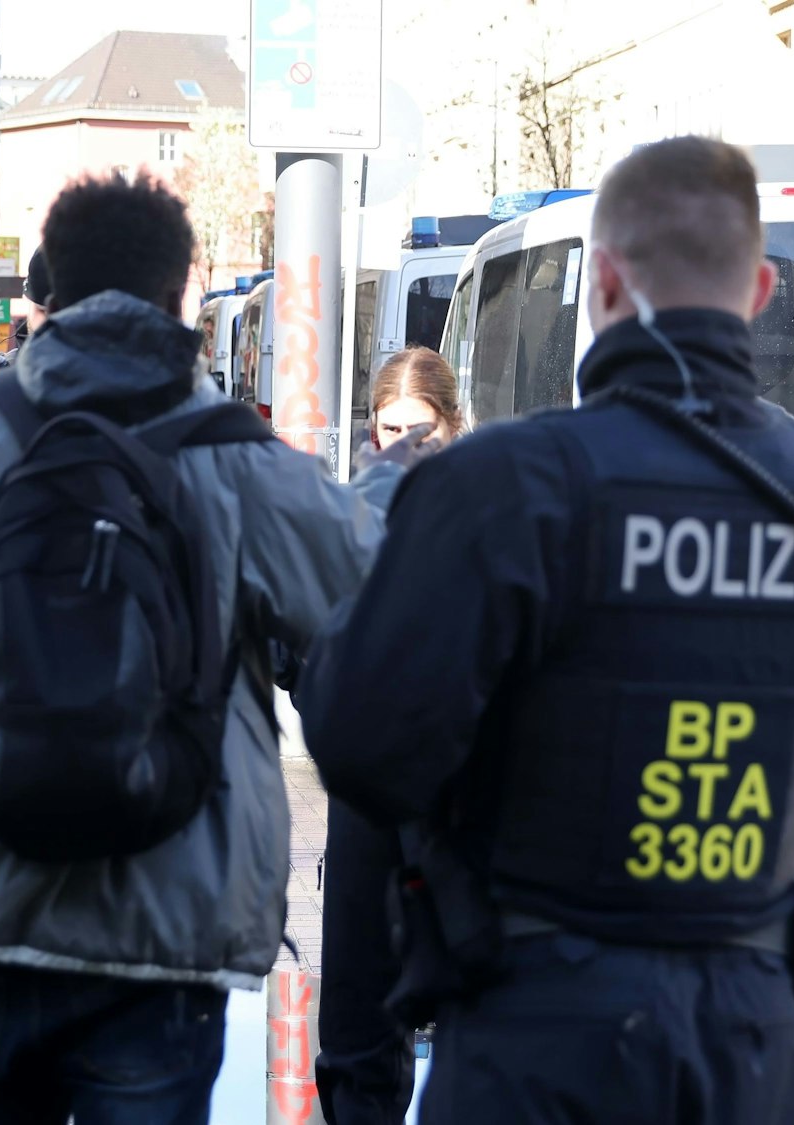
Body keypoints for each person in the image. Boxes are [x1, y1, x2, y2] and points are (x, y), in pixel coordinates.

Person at [296, 136, 794, 1125]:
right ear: (758, 289)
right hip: (744, 1037)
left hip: (538, 1031)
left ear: (598, 282)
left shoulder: (501, 487)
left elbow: (359, 742)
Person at [0, 169, 400, 1125]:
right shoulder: (241, 461)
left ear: (49, 289)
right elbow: (380, 606)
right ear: (182, 292)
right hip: (167, 917)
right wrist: (389, 488)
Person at [315, 344, 463, 1125]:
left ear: (454, 425)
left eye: (421, 430)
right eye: (389, 429)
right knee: (359, 1032)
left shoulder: (492, 517)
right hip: (370, 808)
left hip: (458, 806)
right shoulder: (351, 521)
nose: (402, 447)